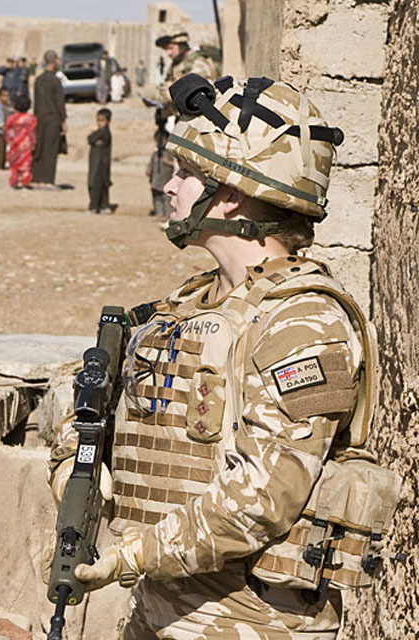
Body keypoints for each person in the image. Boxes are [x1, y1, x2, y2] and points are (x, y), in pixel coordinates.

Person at [48, 74, 391, 639]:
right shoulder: (194, 303)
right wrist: (75, 466)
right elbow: (96, 396)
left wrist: (129, 557)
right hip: (163, 607)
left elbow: (263, 498)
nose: (169, 186)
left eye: (186, 173)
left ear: (230, 193)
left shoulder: (303, 323)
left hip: (249, 620)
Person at [31, 50, 66, 188]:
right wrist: (63, 121)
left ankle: (36, 178)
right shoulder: (55, 81)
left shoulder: (39, 80)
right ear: (54, 61)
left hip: (39, 117)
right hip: (53, 118)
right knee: (50, 149)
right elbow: (59, 103)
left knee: (39, 147)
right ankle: (48, 180)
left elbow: (36, 102)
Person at [4, 94, 36, 189]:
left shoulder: (12, 118)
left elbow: (7, 130)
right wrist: (34, 142)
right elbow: (32, 132)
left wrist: (9, 140)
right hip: (26, 144)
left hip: (15, 143)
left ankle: (14, 181)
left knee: (14, 163)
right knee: (26, 164)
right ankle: (25, 181)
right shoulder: (31, 119)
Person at [87, 108, 112, 213]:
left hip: (100, 164)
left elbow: (91, 138)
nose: (99, 123)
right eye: (98, 120)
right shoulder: (102, 132)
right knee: (99, 184)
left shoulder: (104, 133)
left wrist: (94, 136)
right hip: (97, 163)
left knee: (97, 184)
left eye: (102, 120)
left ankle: (95, 206)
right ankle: (103, 205)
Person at [145, 129, 174, 222]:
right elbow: (151, 163)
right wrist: (149, 169)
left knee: (166, 198)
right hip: (156, 180)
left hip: (166, 180)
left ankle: (167, 214)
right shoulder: (155, 153)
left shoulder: (169, 153)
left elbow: (176, 165)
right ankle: (159, 213)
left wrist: (169, 162)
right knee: (157, 198)